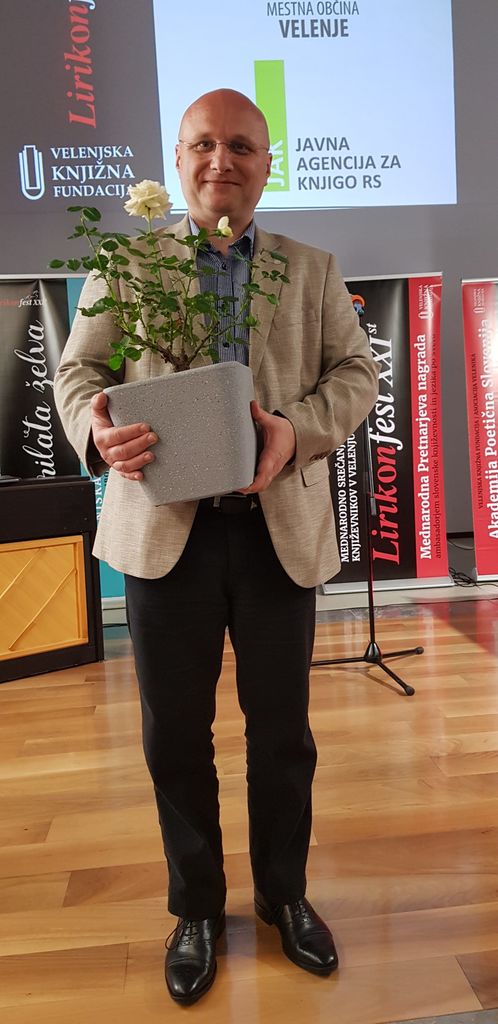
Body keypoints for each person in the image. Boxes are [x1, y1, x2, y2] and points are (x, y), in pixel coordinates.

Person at [54, 88, 378, 1005]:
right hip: (166, 537)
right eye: (203, 144)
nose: (220, 161)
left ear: (267, 164)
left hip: (278, 532)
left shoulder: (311, 269)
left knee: (283, 735)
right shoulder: (127, 262)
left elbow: (357, 373)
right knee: (174, 735)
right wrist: (96, 428)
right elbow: (79, 371)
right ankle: (196, 905)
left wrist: (295, 430)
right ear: (178, 157)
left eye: (241, 146)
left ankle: (285, 895)